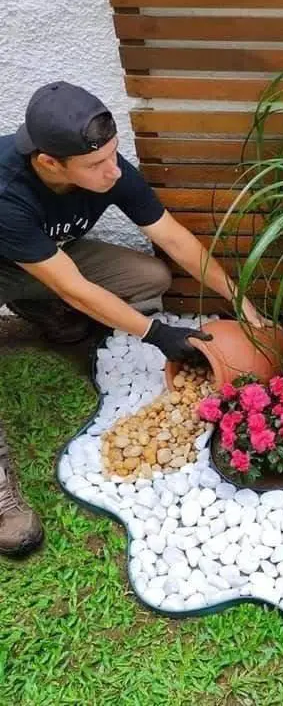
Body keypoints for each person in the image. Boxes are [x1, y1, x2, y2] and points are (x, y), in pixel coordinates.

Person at [0, 81, 268, 556]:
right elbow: (72, 285)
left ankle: (35, 305)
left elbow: (174, 238)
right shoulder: (7, 193)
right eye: (96, 166)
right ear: (49, 163)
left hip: (37, 258)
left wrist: (238, 298)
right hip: (24, 259)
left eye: (114, 155)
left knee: (148, 276)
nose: (112, 172)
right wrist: (157, 333)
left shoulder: (109, 167)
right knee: (68, 289)